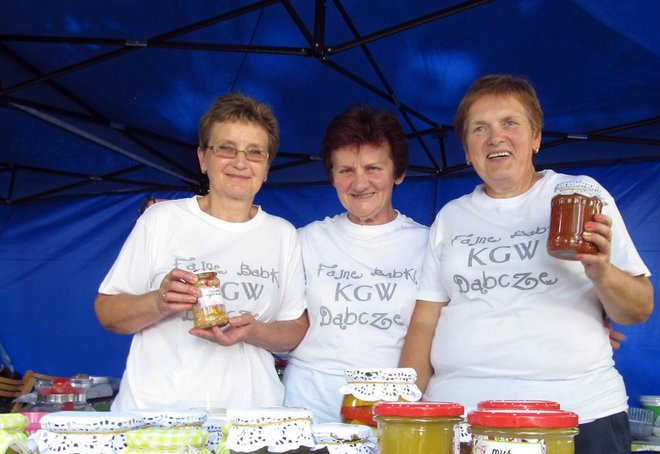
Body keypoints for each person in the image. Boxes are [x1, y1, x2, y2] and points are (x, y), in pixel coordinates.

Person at [399, 74, 654, 454]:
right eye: (479, 128)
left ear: (536, 137)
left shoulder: (580, 196)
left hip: (576, 415)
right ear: (467, 150)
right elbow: (424, 322)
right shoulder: (451, 217)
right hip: (462, 420)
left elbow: (638, 308)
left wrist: (602, 272)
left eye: (510, 123)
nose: (495, 137)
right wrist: (406, 410)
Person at [95, 92, 308, 411]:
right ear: (203, 158)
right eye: (226, 149)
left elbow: (294, 332)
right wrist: (158, 301)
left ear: (266, 167)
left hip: (251, 417)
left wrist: (254, 331)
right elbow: (108, 313)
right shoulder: (161, 219)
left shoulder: (281, 234)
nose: (240, 162)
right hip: (158, 415)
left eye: (254, 153)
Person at [282, 105, 428, 422]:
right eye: (346, 170)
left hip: (391, 408)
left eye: (373, 168)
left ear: (398, 173)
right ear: (332, 177)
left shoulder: (428, 244)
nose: (360, 183)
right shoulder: (304, 240)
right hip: (308, 407)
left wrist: (403, 405)